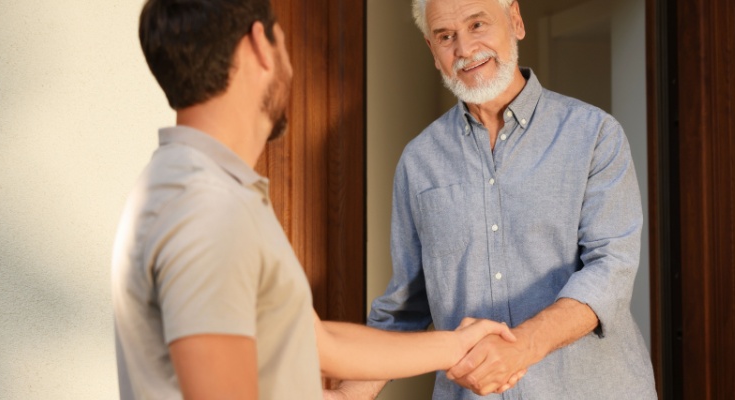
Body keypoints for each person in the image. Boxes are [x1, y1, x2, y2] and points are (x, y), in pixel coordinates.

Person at [111, 0, 521, 399]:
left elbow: (317, 342)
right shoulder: (207, 207)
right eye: (282, 40)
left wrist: (458, 344)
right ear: (260, 45)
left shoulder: (203, 189)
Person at [330, 0, 657, 398]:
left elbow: (612, 269)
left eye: (477, 24)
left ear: (515, 20)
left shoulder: (594, 135)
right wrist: (346, 395)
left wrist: (521, 347)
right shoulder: (419, 161)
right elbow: (405, 306)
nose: (464, 49)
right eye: (446, 36)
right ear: (432, 51)